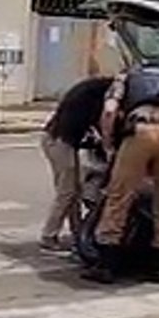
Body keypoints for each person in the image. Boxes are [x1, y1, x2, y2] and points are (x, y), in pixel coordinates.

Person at [87, 65, 159, 284]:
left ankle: (107, 265)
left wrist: (108, 143)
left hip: (139, 132)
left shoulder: (127, 76)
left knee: (119, 196)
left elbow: (109, 110)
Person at [39, 75, 114, 253]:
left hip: (54, 140)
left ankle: (77, 232)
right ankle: (49, 235)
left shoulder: (83, 94)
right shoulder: (96, 101)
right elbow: (102, 128)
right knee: (68, 192)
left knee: (74, 191)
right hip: (60, 143)